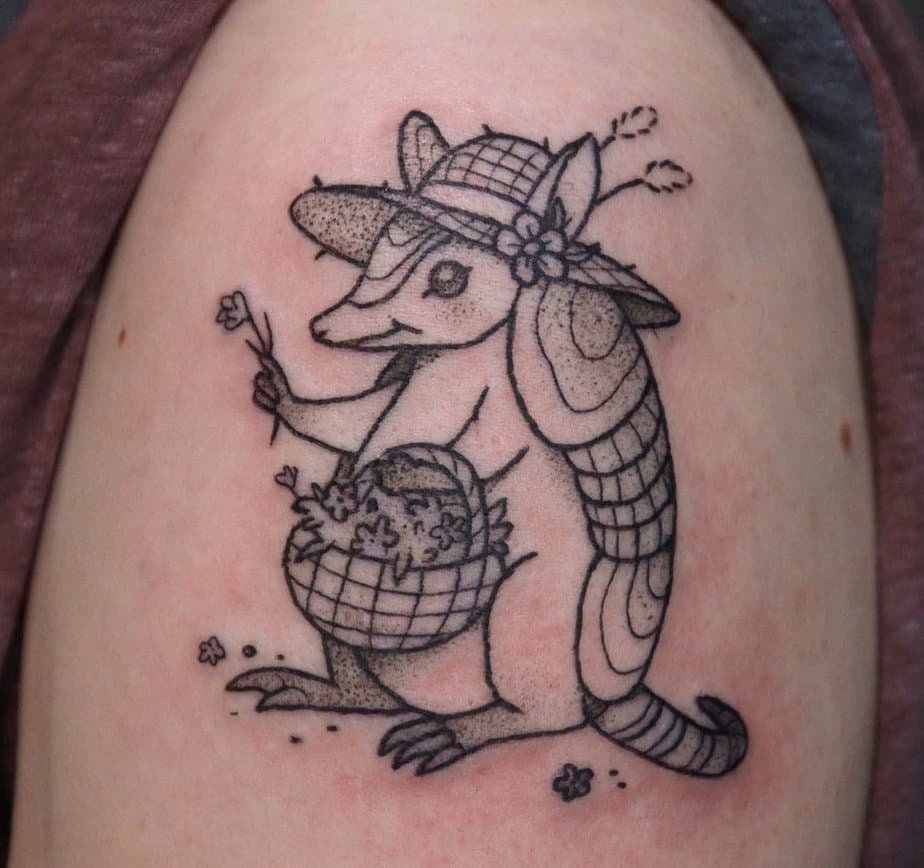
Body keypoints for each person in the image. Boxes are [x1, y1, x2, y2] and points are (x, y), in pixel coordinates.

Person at [3, 0, 919, 864]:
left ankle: (521, 714)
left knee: (511, 568)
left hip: (540, 626)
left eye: (444, 282)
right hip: (430, 598)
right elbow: (384, 431)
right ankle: (361, 681)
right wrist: (299, 411)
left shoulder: (480, 50)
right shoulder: (440, 357)